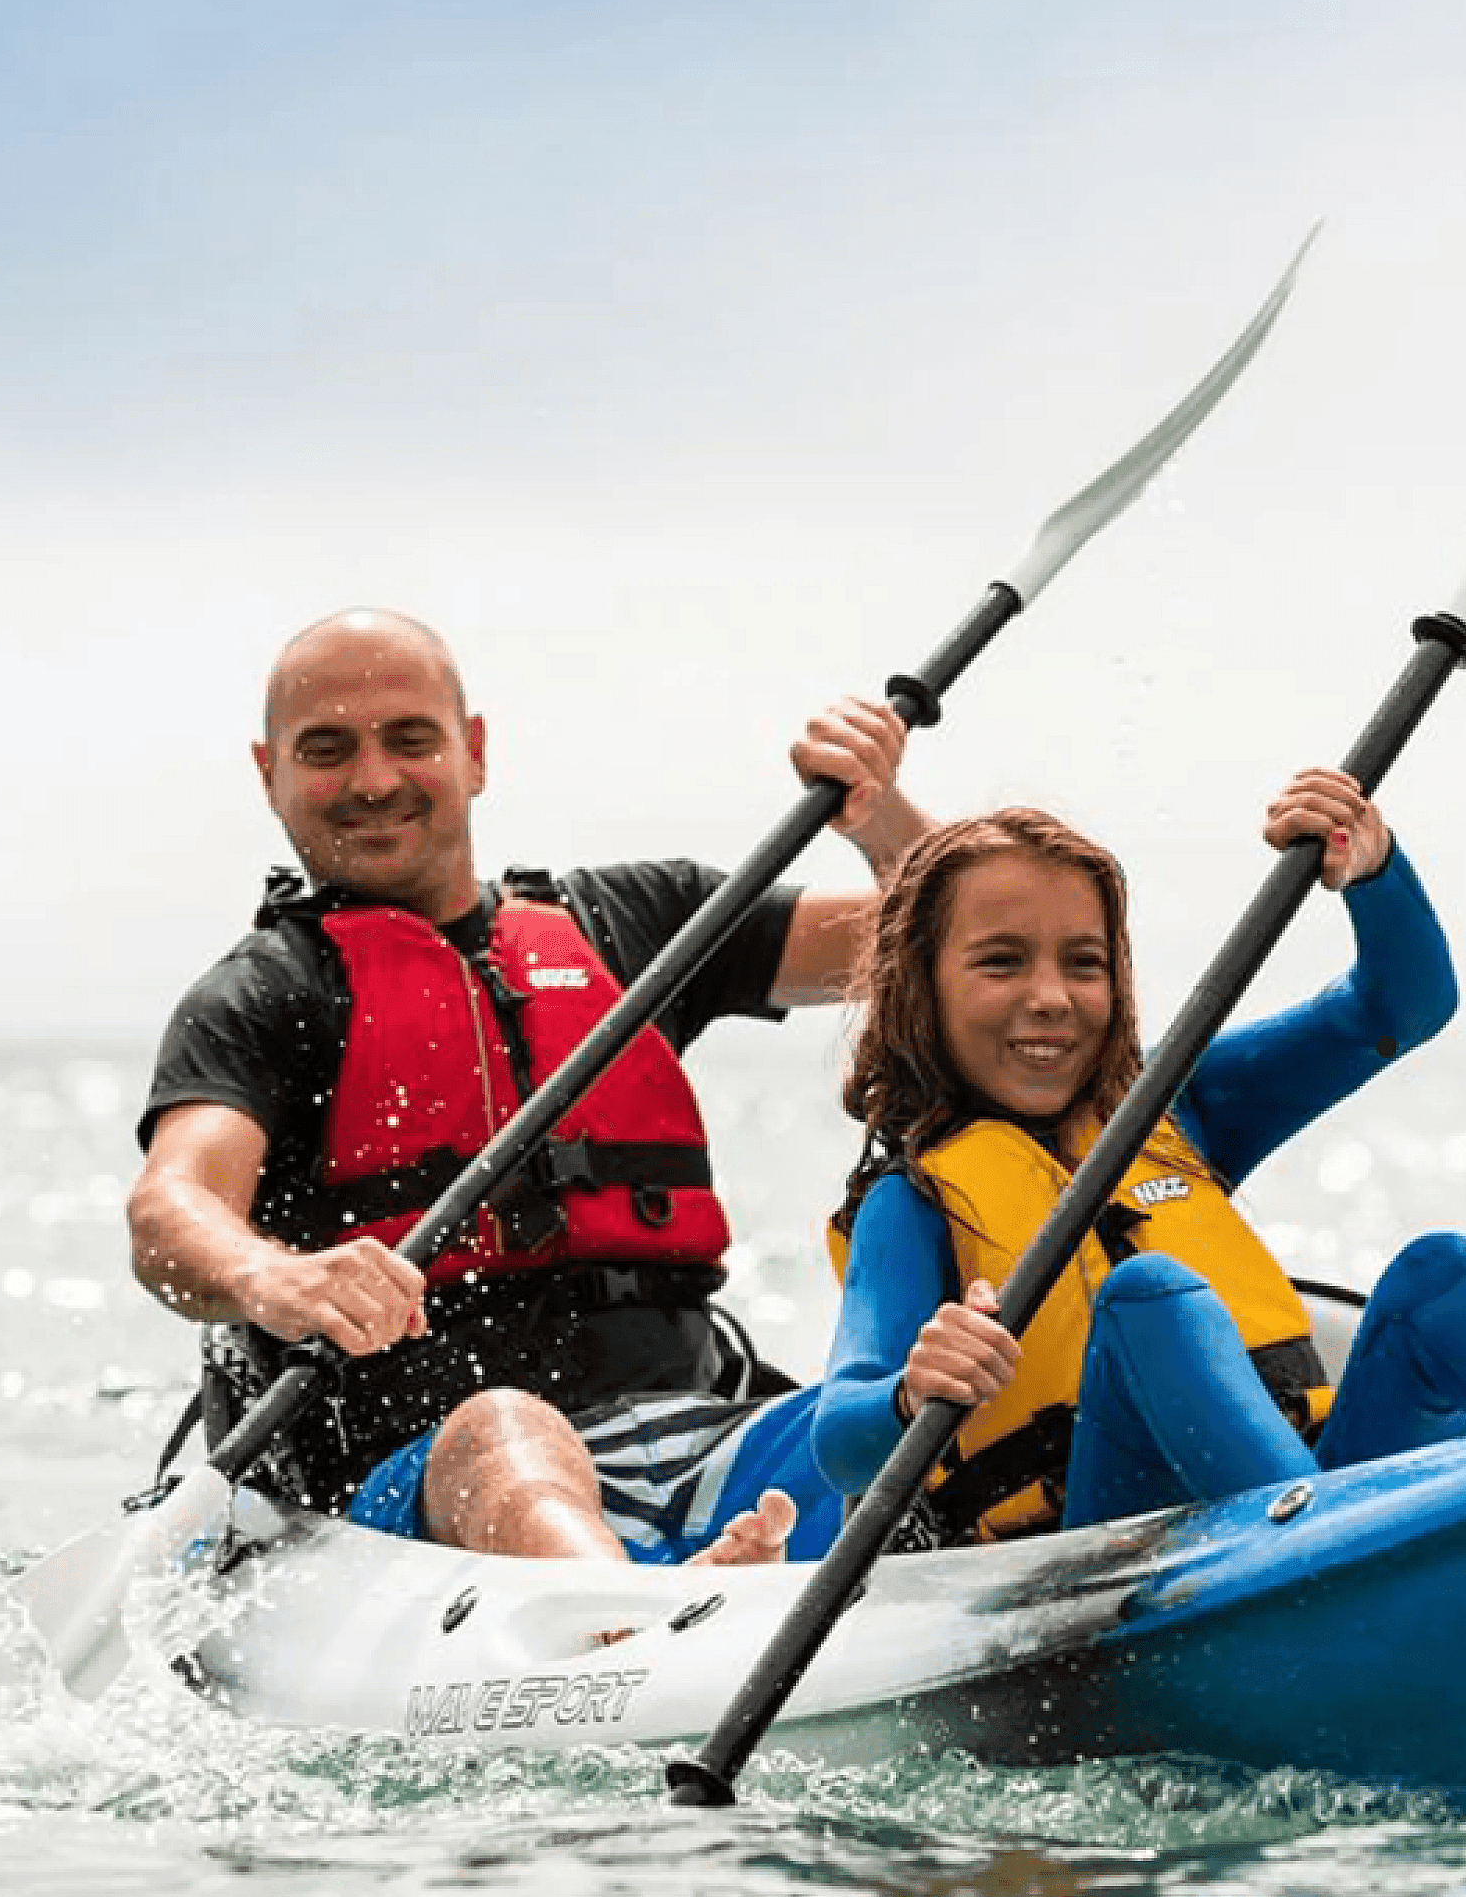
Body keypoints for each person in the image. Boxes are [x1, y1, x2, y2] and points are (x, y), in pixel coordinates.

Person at [128, 607, 931, 1567]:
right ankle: (633, 1618)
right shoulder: (262, 996)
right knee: (508, 1434)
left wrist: (885, 820)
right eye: (328, 749)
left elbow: (968, 952)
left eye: (410, 740)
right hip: (426, 1502)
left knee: (913, 1408)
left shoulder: (637, 925)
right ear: (272, 776)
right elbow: (171, 1212)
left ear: (472, 753)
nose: (375, 779)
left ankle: (706, 1572)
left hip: (692, 1441)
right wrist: (275, 1277)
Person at [813, 770, 1466, 1547]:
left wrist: (1374, 871)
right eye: (1001, 961)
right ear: (920, 986)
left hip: (1307, 1494)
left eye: (1085, 963)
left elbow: (1403, 1006)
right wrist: (909, 1391)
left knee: (1437, 1277)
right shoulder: (914, 1199)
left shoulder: (1174, 1111)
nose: (1052, 996)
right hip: (1101, 1556)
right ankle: (1318, 1576)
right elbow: (841, 1439)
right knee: (1148, 1296)